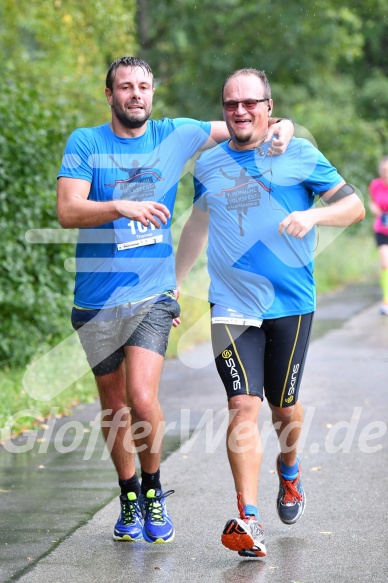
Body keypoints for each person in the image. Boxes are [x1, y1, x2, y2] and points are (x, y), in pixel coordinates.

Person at [56, 57, 294, 546]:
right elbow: (67, 210)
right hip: (96, 298)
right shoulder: (86, 142)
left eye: (143, 86)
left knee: (143, 398)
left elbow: (243, 121)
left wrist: (285, 124)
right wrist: (120, 206)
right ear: (110, 95)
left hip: (153, 294)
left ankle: (154, 489)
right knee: (115, 405)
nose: (136, 94)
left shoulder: (176, 133)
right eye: (126, 87)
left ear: (153, 93)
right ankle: (128, 494)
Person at [175, 68, 365, 557]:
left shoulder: (298, 152)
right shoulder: (210, 164)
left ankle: (290, 468)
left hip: (290, 303)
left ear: (268, 106)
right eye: (230, 103)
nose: (239, 111)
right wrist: (174, 283)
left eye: (249, 102)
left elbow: (354, 207)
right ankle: (248, 519)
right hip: (232, 303)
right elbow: (198, 226)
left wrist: (313, 215)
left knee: (284, 408)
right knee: (242, 404)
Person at [368, 156, 388, 315]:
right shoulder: (375, 185)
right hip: (382, 229)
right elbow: (372, 201)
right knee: (385, 263)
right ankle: (386, 300)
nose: (386, 173)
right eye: (383, 170)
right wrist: (374, 208)